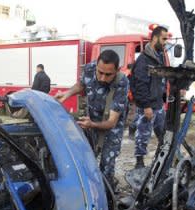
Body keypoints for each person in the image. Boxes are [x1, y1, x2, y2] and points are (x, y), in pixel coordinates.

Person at [55, 50, 129, 188]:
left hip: (110, 128)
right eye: (100, 72)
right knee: (87, 159)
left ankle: (107, 194)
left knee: (106, 165)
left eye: (108, 75)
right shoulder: (90, 68)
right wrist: (67, 94)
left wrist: (92, 124)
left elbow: (112, 122)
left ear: (117, 70)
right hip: (91, 123)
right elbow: (82, 84)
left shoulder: (122, 82)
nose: (102, 78)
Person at [131, 25, 169, 168]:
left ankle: (163, 159)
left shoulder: (159, 57)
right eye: (163, 38)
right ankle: (139, 163)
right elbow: (139, 85)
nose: (165, 42)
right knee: (143, 135)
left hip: (158, 104)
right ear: (154, 38)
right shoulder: (143, 60)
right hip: (147, 106)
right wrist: (146, 106)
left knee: (162, 133)